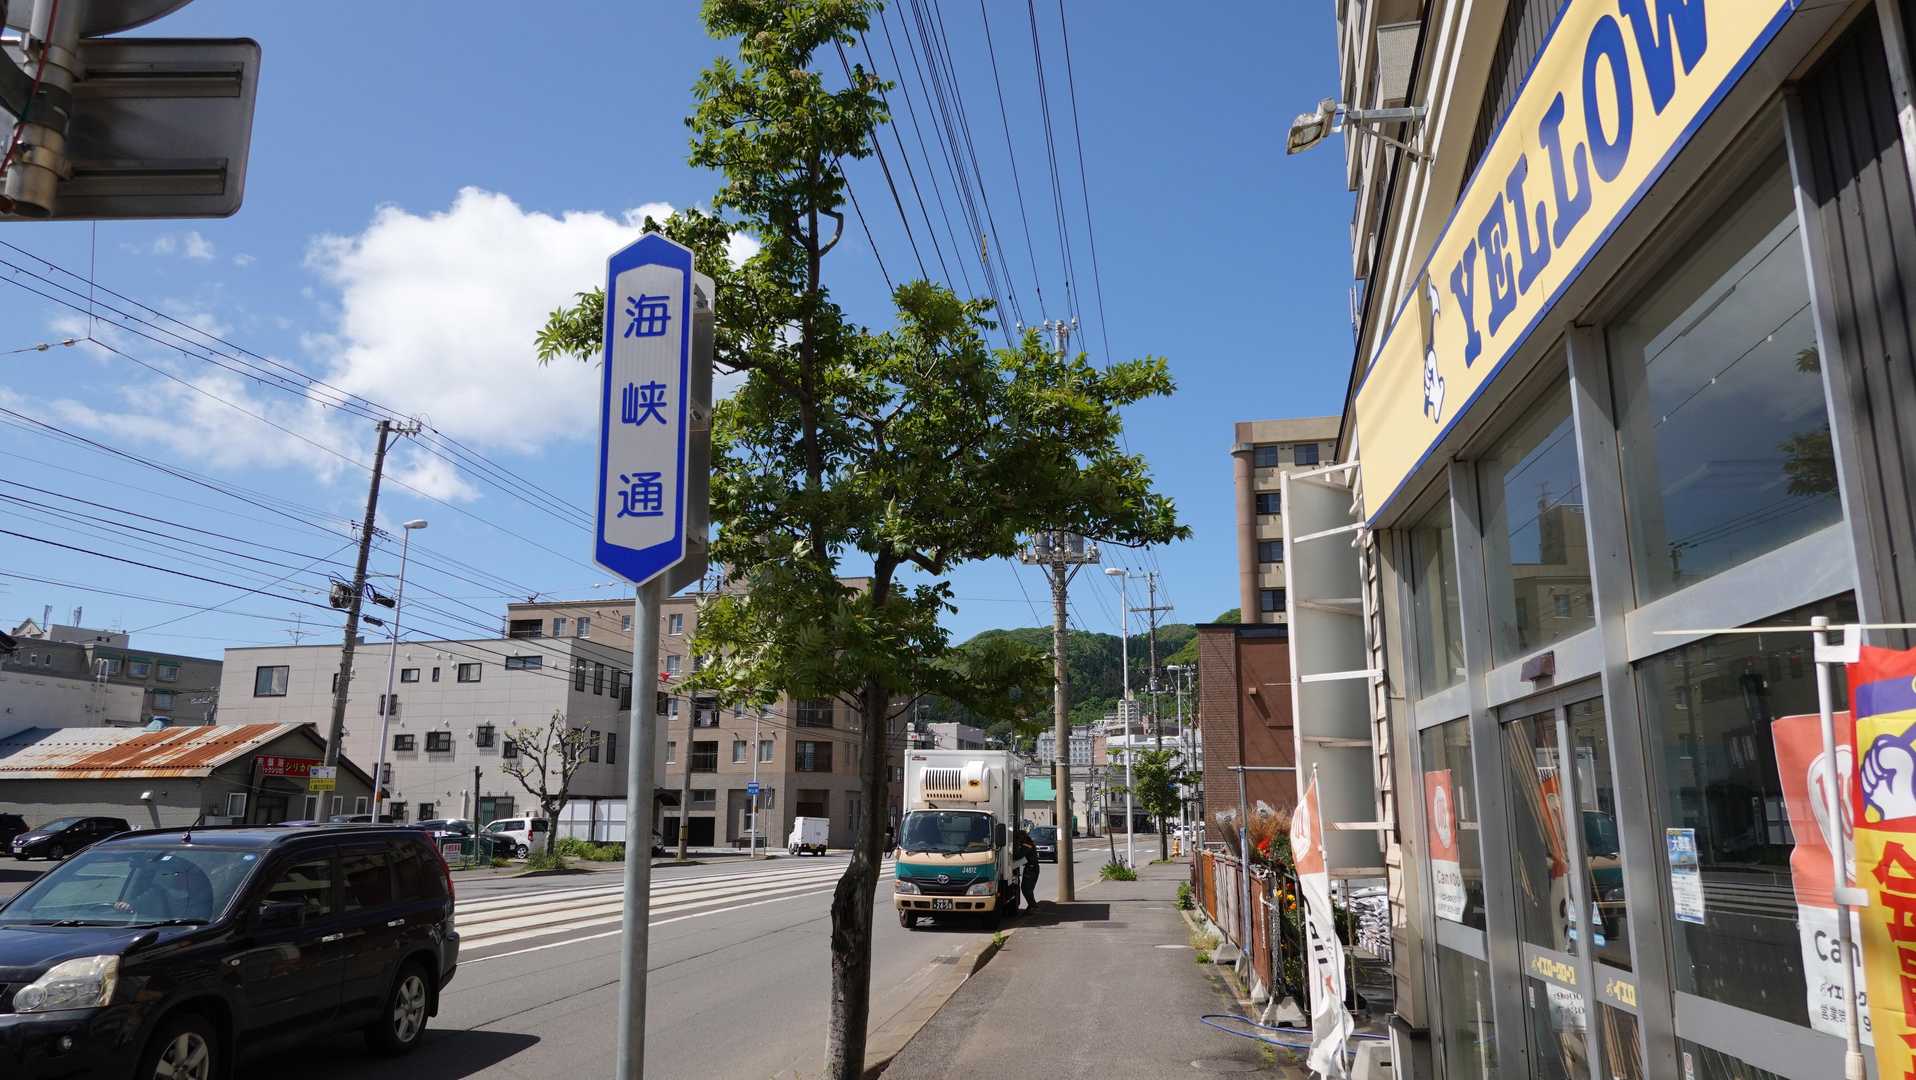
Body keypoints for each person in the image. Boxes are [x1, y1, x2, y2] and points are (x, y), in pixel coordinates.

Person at [1013, 828, 1039, 908]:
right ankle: (1032, 906)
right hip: (1031, 869)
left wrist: (1016, 846)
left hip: (1031, 869)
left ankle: (1033, 906)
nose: (1018, 840)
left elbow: (1018, 856)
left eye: (1018, 838)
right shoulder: (1028, 843)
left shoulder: (1027, 845)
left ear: (1022, 837)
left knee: (1026, 889)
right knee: (1027, 889)